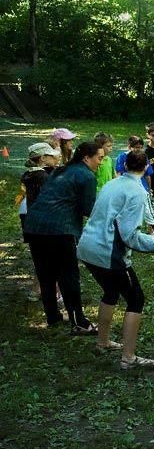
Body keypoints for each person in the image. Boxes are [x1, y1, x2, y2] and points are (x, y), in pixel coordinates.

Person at [77, 149, 154, 368]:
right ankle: (128, 357)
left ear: (124, 165)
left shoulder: (112, 183)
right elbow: (131, 238)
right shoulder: (137, 192)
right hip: (106, 252)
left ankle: (102, 342)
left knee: (111, 291)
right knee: (136, 298)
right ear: (147, 167)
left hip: (87, 247)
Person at [23, 141, 104, 331]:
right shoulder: (86, 176)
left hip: (34, 226)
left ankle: (53, 317)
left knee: (45, 274)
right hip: (60, 230)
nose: (101, 162)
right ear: (87, 158)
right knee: (68, 275)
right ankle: (79, 323)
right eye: (99, 158)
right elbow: (87, 209)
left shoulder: (60, 171)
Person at [17, 142, 60, 300]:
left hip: (32, 222)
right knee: (51, 258)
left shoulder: (30, 174)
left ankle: (37, 290)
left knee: (42, 258)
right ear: (42, 158)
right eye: (51, 156)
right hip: (44, 224)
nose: (54, 158)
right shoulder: (42, 177)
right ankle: (54, 293)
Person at [117, 135, 154, 237]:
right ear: (129, 146)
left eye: (140, 147)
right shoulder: (123, 157)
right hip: (127, 190)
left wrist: (149, 189)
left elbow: (148, 176)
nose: (138, 149)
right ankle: (128, 239)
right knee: (127, 214)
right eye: (136, 147)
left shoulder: (143, 157)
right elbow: (119, 173)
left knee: (149, 214)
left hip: (142, 190)